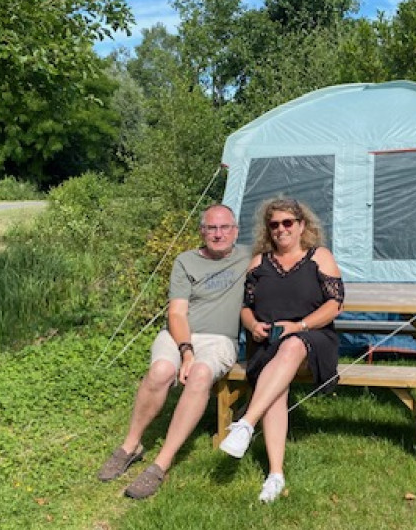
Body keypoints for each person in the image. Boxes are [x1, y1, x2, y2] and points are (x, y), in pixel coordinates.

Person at [98, 204, 250, 499]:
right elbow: (177, 313)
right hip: (180, 334)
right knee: (160, 371)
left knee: (201, 374)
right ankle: (131, 446)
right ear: (201, 231)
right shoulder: (186, 261)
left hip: (220, 339)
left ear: (235, 231)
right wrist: (187, 350)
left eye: (224, 228)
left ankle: (160, 463)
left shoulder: (248, 257)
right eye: (211, 228)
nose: (218, 234)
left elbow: (291, 245)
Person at [219, 198, 345, 502]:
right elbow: (246, 307)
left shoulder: (319, 257)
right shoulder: (259, 263)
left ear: (302, 226)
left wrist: (300, 326)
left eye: (288, 222)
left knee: (290, 347)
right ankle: (275, 475)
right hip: (266, 342)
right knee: (275, 384)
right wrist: (251, 326)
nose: (281, 229)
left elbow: (335, 304)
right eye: (274, 224)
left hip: (312, 340)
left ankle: (246, 422)